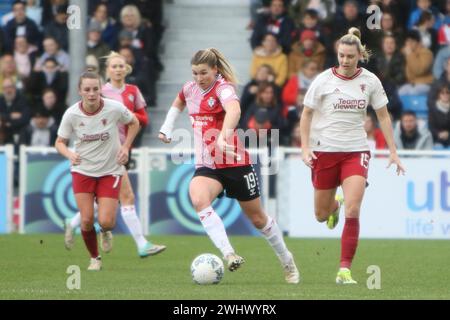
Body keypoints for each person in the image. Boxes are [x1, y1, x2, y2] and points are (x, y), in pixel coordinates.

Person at [158, 48, 300, 284]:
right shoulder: (190, 88)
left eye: (203, 73)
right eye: (195, 73)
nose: (198, 78)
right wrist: (167, 126)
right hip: (208, 165)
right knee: (198, 199)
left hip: (235, 162)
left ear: (214, 70)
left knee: (258, 219)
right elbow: (179, 101)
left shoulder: (224, 88)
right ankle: (228, 253)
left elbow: (234, 109)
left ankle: (287, 260)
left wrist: (224, 137)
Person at [300, 28, 405, 284]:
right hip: (325, 151)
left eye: (350, 56)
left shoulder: (370, 81)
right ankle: (334, 206)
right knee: (321, 215)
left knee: (354, 208)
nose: (345, 61)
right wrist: (305, 147)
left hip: (356, 151)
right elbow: (306, 114)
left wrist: (393, 150)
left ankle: (344, 269)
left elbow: (383, 116)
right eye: (341, 55)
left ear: (360, 55)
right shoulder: (323, 80)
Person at [65, 52, 166, 258]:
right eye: (114, 66)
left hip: (121, 150)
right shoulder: (101, 93)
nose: (118, 69)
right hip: (106, 151)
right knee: (125, 196)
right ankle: (141, 244)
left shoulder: (132, 91)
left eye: (122, 66)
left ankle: (75, 223)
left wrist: (123, 113)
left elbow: (143, 119)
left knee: (108, 199)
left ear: (126, 69)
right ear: (107, 70)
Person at [55, 72, 140, 271]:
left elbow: (134, 122)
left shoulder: (114, 108)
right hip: (82, 170)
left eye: (95, 89)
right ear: (80, 91)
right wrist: (69, 154)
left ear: (101, 88)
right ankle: (95, 258)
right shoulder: (72, 114)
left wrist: (126, 147)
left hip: (110, 171)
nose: (92, 93)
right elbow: (59, 142)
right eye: (87, 89)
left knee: (107, 222)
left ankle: (105, 231)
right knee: (85, 220)